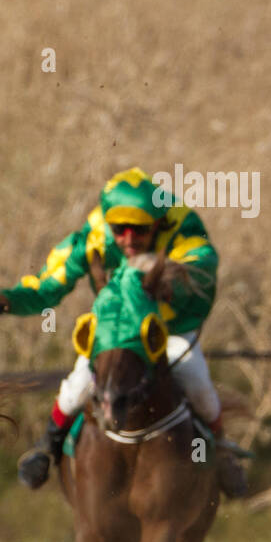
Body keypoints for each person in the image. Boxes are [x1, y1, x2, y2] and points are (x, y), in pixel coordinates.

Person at [0, 167, 248, 496]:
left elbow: (203, 266)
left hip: (168, 332)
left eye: (140, 230)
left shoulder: (183, 228)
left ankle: (222, 452)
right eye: (120, 229)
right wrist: (8, 301)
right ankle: (47, 446)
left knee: (199, 384)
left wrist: (170, 280)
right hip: (114, 334)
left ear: (158, 223)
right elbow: (48, 285)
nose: (129, 239)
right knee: (78, 385)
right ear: (109, 224)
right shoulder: (94, 236)